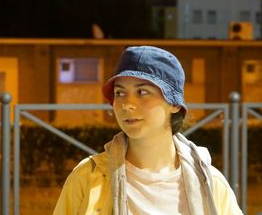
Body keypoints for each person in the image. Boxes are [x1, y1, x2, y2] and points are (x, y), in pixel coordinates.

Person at [53, 46, 243, 215]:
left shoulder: (210, 182)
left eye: (142, 92)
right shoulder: (88, 177)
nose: (127, 104)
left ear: (174, 103)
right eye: (119, 93)